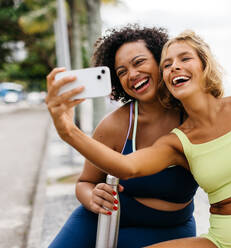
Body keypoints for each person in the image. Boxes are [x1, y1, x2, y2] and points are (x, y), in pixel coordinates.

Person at [46, 30, 231, 248]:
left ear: (204, 64)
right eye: (168, 65)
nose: (175, 67)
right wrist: (68, 131)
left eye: (184, 59)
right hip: (213, 237)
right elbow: (125, 167)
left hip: (185, 227)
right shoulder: (176, 140)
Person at [48, 25, 198, 248]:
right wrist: (92, 197)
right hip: (104, 219)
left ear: (161, 61)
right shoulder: (114, 125)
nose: (132, 75)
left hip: (171, 229)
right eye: (122, 72)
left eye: (138, 62)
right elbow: (85, 182)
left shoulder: (193, 118)